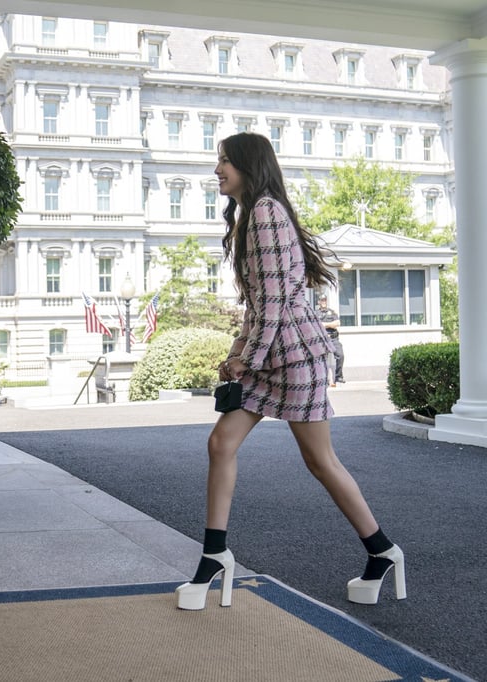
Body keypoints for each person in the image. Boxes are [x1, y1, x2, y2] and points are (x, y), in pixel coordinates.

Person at [176, 132, 405, 610]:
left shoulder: (266, 212)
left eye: (224, 161)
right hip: (270, 356)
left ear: (248, 164)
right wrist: (238, 352)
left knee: (320, 461)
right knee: (220, 443)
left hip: (297, 357)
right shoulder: (252, 216)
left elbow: (276, 302)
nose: (217, 170)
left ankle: (382, 551)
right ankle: (215, 555)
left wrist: (247, 359)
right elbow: (257, 304)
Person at [317, 294, 345, 386]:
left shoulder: (332, 312)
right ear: (318, 302)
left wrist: (324, 324)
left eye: (325, 300)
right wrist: (330, 324)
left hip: (334, 338)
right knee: (322, 359)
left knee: (340, 355)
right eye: (322, 300)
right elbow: (316, 325)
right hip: (322, 339)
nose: (323, 302)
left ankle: (338, 377)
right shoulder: (315, 313)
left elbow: (337, 323)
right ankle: (324, 379)